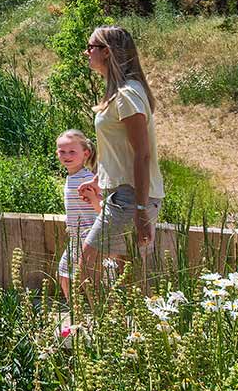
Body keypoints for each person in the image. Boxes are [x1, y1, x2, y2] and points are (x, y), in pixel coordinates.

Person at [78, 25, 165, 288]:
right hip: (123, 193)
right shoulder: (121, 92)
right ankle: (124, 325)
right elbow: (120, 151)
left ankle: (89, 324)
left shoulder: (127, 95)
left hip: (130, 197)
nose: (86, 53)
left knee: (87, 261)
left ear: (106, 52)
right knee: (126, 271)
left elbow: (142, 154)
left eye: (90, 47)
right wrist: (98, 178)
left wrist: (139, 210)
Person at [55, 128, 99, 303]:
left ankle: (97, 313)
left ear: (85, 153)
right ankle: (76, 312)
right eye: (62, 151)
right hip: (75, 236)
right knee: (64, 274)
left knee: (88, 278)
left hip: (88, 235)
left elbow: (99, 205)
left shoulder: (85, 178)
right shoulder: (71, 177)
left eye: (72, 151)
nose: (67, 155)